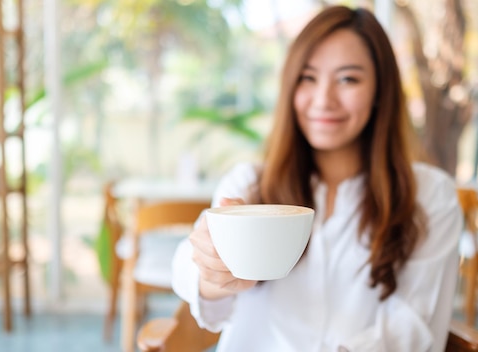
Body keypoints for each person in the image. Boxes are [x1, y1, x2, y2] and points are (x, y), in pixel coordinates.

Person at [172, 5, 462, 352]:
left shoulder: (429, 196)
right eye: (308, 78)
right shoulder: (249, 185)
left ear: (380, 92)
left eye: (348, 79)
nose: (323, 100)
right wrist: (212, 273)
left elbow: (415, 327)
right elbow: (194, 279)